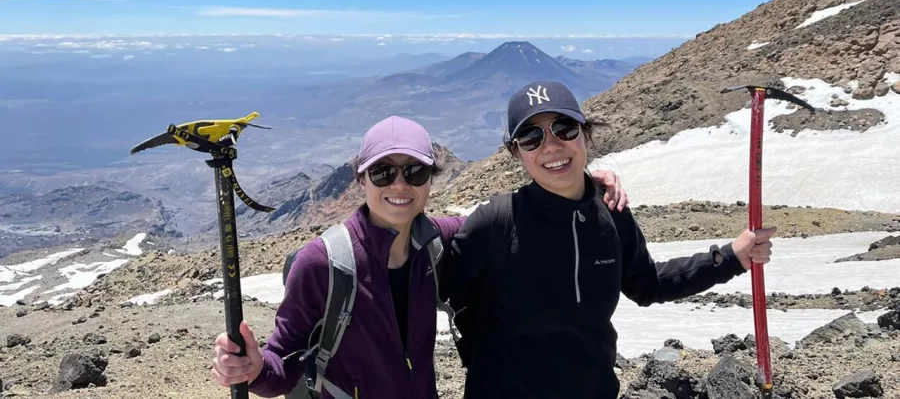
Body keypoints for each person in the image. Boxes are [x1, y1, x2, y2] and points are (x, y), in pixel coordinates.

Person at [209, 114, 629, 398]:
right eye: (382, 172)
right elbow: (281, 367)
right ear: (360, 179)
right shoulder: (322, 263)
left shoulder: (437, 241)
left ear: (430, 179)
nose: (400, 184)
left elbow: (512, 220)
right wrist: (253, 370)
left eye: (415, 172)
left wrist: (575, 183)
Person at [445, 80, 776, 399]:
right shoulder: (495, 222)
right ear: (517, 153)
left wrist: (731, 257)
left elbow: (649, 285)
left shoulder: (611, 213)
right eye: (531, 138)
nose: (550, 145)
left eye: (564, 128)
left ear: (585, 135)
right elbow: (429, 277)